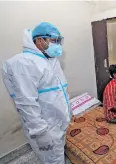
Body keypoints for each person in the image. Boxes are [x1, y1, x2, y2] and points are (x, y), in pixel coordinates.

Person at [2, 22, 71, 164]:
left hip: (58, 123)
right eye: (54, 40)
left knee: (58, 155)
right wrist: (40, 133)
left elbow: (60, 91)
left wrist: (68, 111)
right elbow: (26, 103)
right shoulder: (24, 63)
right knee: (52, 160)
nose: (58, 45)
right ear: (40, 40)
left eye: (59, 41)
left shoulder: (51, 61)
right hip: (46, 128)